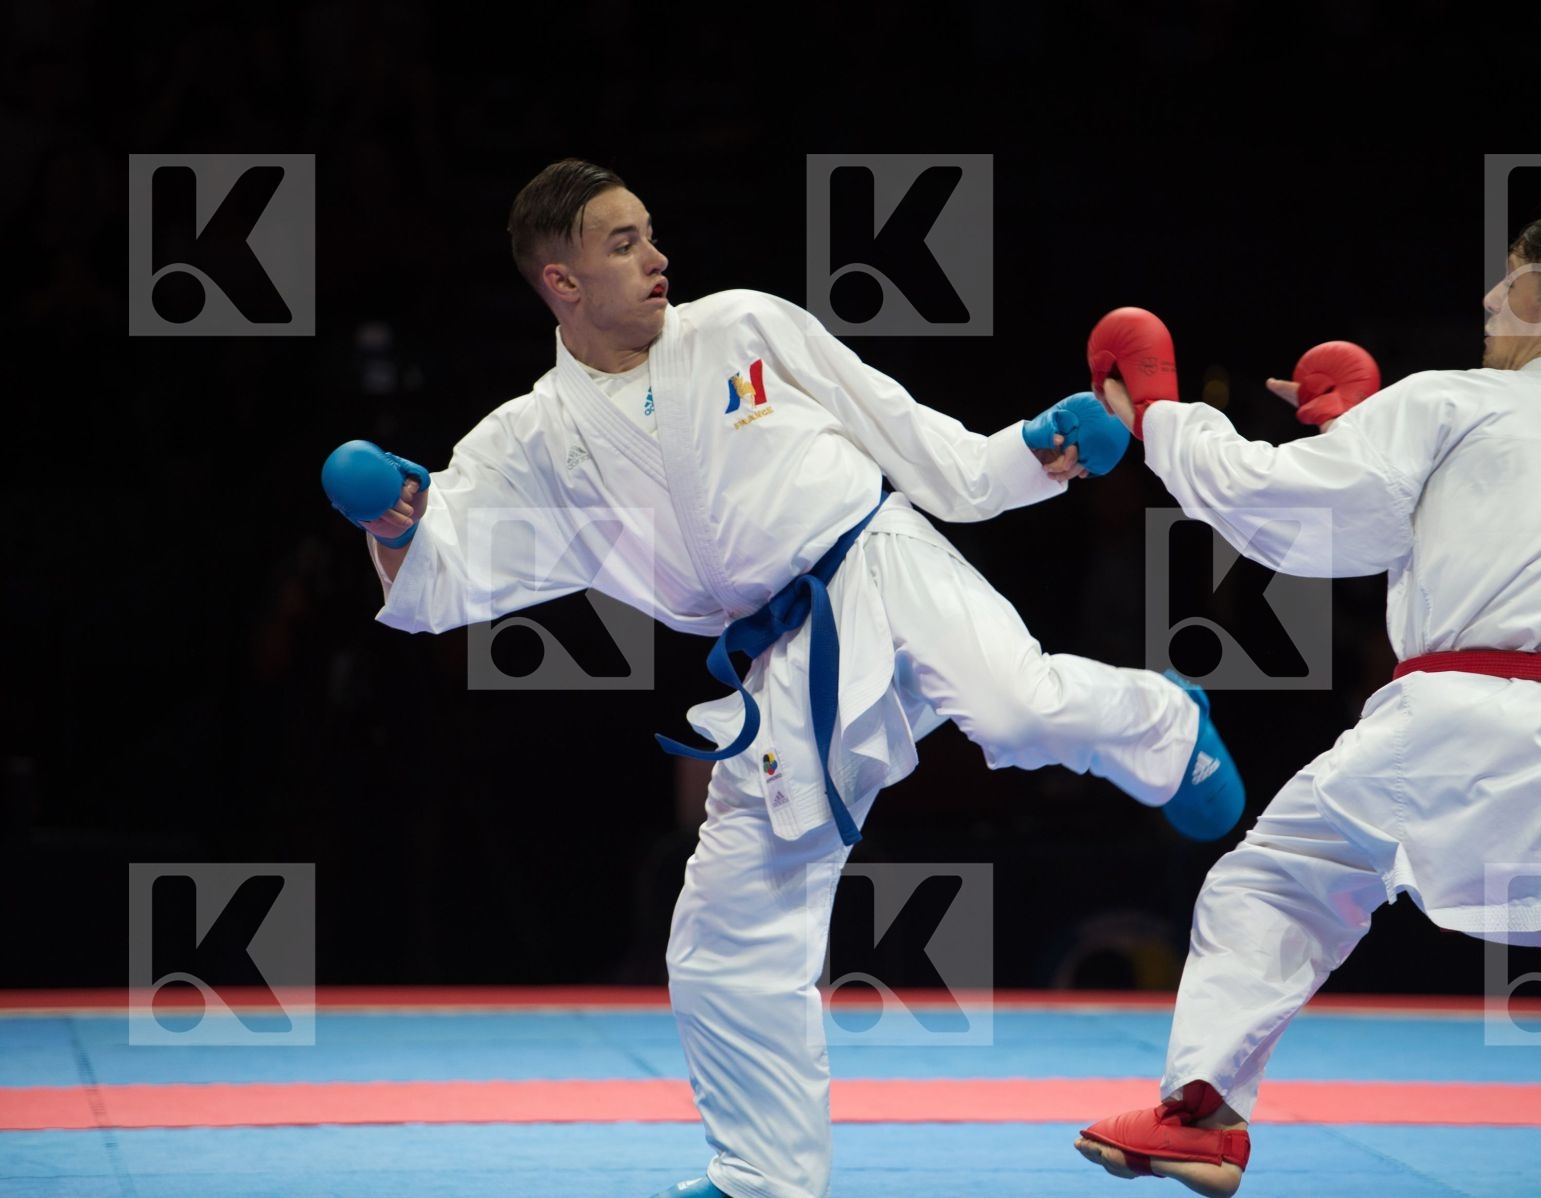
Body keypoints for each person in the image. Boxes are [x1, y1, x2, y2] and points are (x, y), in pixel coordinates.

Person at [325, 158, 1247, 1198]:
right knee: (727, 931)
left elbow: (925, 448)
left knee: (1016, 709)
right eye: (624, 243)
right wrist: (394, 522)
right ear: (562, 281)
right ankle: (763, 1174)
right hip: (782, 664)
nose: (658, 257)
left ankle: (1169, 725)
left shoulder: (744, 326)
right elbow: (441, 565)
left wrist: (1034, 451)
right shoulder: (535, 438)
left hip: (878, 560)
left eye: (651, 232)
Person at [1073, 210, 1541, 1196]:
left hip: (1440, 729)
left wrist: (1162, 415)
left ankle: (1200, 1110)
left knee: (1276, 885)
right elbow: (1483, 514)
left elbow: (1282, 508)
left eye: (1512, 281)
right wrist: (1362, 433)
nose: (1492, 300)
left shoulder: (1452, 399)